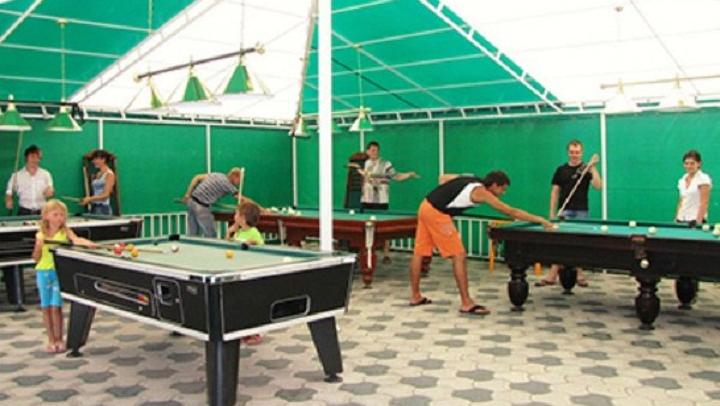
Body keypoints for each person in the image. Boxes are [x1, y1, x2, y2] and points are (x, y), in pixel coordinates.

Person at [409, 171, 553, 315]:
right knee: (459, 256)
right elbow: (510, 211)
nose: (502, 193)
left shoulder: (472, 179)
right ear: (494, 185)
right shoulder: (481, 192)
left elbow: (442, 178)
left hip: (425, 206)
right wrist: (540, 220)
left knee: (420, 252)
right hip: (437, 214)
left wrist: (448, 193)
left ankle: (415, 296)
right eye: (502, 189)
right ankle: (466, 303)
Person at [32, 199, 97, 353]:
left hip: (58, 273)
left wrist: (88, 243)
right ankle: (51, 340)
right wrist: (39, 247)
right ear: (46, 216)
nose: (59, 218)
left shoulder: (65, 232)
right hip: (43, 273)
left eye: (62, 215)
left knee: (56, 307)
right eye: (55, 215)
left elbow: (76, 240)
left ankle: (60, 339)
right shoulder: (40, 235)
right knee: (46, 308)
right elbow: (35, 258)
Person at [537, 140, 602, 287]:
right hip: (564, 211)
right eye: (572, 152)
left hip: (581, 211)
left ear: (581, 153)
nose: (574, 155)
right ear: (568, 153)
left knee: (579, 243)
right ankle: (552, 274)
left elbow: (598, 186)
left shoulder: (586, 169)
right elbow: (555, 192)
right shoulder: (561, 170)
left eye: (577, 152)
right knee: (560, 242)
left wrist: (593, 169)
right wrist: (552, 213)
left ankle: (580, 274)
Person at [356, 141, 419, 263]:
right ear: (367, 152)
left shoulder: (386, 164)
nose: (375, 152)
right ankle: (365, 253)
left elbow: (396, 176)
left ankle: (386, 255)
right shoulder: (365, 163)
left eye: (377, 150)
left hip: (381, 200)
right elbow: (364, 179)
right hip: (366, 199)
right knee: (365, 228)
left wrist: (409, 174)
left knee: (385, 229)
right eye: (372, 150)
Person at [226, 201, 265, 345]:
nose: (234, 216)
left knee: (250, 303)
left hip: (250, 271)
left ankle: (255, 333)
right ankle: (243, 331)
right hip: (238, 270)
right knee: (239, 303)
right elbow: (227, 245)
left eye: (236, 213)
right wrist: (229, 233)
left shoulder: (253, 232)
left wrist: (252, 243)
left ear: (243, 217)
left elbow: (261, 245)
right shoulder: (239, 232)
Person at [182, 168, 260, 238]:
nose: (239, 183)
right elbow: (242, 199)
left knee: (192, 234)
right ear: (234, 176)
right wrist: (260, 208)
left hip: (191, 202)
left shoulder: (217, 175)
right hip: (201, 206)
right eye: (240, 180)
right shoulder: (228, 185)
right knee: (211, 235)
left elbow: (196, 178)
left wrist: (187, 195)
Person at [5, 145, 54, 215]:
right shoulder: (16, 175)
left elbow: (51, 189)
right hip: (24, 212)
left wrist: (50, 191)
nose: (36, 160)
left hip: (42, 212)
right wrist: (8, 199)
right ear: (26, 158)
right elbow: (9, 192)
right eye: (33, 157)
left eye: (38, 158)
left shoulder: (46, 174)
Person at [676, 150, 711, 226]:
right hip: (681, 219)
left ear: (699, 164)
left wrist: (698, 222)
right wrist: (676, 218)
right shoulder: (682, 180)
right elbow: (681, 200)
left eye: (692, 163)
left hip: (695, 220)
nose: (689, 166)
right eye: (686, 163)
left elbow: (704, 202)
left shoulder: (704, 178)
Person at [80, 149, 116, 215]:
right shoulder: (98, 174)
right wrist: (88, 200)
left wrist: (89, 199)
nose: (93, 161)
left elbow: (105, 195)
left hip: (103, 208)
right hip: (94, 207)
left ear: (103, 159)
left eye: (96, 159)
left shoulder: (109, 174)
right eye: (93, 159)